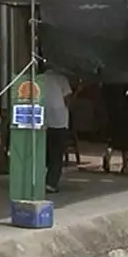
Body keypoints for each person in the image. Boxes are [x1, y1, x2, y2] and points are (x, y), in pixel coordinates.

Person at [37, 60, 73, 193]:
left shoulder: (39, 79)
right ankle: (51, 183)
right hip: (59, 122)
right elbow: (68, 100)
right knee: (57, 154)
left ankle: (40, 180)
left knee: (43, 152)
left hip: (42, 120)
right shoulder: (62, 79)